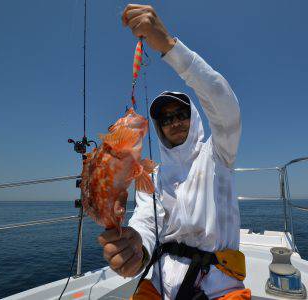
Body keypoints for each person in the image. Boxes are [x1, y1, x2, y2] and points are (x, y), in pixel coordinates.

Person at [98, 4, 249, 300]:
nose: (175, 121)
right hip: (158, 286)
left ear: (194, 117)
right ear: (158, 126)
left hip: (219, 290)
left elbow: (224, 106)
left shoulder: (219, 154)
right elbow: (146, 220)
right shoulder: (151, 174)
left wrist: (168, 46)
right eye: (166, 118)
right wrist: (136, 249)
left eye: (181, 113)